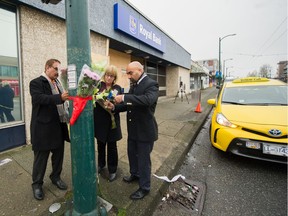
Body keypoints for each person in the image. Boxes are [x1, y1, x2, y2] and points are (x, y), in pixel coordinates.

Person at [106, 61, 159, 200]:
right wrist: (114, 107)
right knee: (132, 154)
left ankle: (144, 187)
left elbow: (146, 100)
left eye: (130, 73)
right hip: (134, 129)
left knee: (143, 160)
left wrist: (123, 97)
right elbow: (130, 105)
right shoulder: (135, 84)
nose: (128, 76)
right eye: (127, 73)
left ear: (140, 70)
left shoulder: (151, 84)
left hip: (145, 130)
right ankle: (135, 174)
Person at [29, 59, 70, 200]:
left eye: (59, 70)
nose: (58, 73)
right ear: (47, 67)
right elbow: (39, 98)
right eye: (55, 69)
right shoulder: (36, 82)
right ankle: (37, 184)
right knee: (41, 158)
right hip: (43, 128)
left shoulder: (58, 83)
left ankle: (55, 177)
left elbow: (63, 102)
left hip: (58, 125)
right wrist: (60, 97)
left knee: (58, 155)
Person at [93, 65, 122, 182]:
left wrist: (109, 101)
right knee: (100, 144)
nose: (109, 78)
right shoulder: (98, 85)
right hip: (100, 121)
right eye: (107, 75)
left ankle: (112, 169)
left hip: (112, 122)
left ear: (114, 78)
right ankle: (100, 164)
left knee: (112, 147)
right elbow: (92, 97)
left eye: (111, 76)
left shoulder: (117, 88)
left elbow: (117, 102)